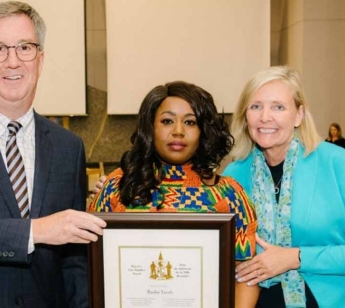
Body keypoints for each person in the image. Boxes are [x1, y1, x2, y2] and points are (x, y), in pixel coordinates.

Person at [0, 2, 106, 307]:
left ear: (40, 59)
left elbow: (74, 261)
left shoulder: (69, 147)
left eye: (25, 47)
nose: (13, 61)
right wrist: (35, 231)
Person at [88, 81, 259, 307]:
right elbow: (92, 267)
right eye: (167, 121)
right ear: (150, 127)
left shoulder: (228, 195)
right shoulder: (116, 188)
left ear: (203, 131)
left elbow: (245, 277)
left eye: (190, 122)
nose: (178, 131)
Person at [223, 66, 345, 307]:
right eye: (256, 106)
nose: (265, 117)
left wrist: (297, 257)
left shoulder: (340, 165)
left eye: (278, 107)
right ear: (245, 115)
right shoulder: (233, 176)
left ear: (299, 115)